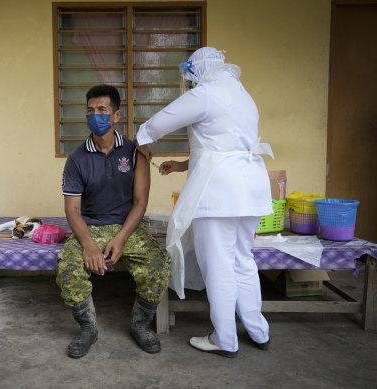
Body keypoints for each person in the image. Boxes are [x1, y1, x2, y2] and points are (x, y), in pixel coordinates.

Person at [136, 47, 274, 358]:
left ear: (198, 71)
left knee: (219, 265)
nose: (190, 84)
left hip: (219, 192)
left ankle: (224, 339)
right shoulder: (242, 94)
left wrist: (142, 137)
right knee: (243, 260)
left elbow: (160, 122)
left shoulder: (207, 94)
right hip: (250, 186)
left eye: (191, 77)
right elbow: (225, 144)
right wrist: (183, 165)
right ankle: (259, 331)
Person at [57, 84, 171, 358]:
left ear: (116, 115)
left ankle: (140, 325)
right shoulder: (76, 159)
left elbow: (140, 202)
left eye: (102, 110)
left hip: (128, 226)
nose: (95, 115)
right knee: (69, 269)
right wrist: (88, 245)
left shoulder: (135, 152)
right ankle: (88, 328)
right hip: (91, 226)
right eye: (90, 110)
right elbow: (72, 210)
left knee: (158, 265)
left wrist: (120, 239)